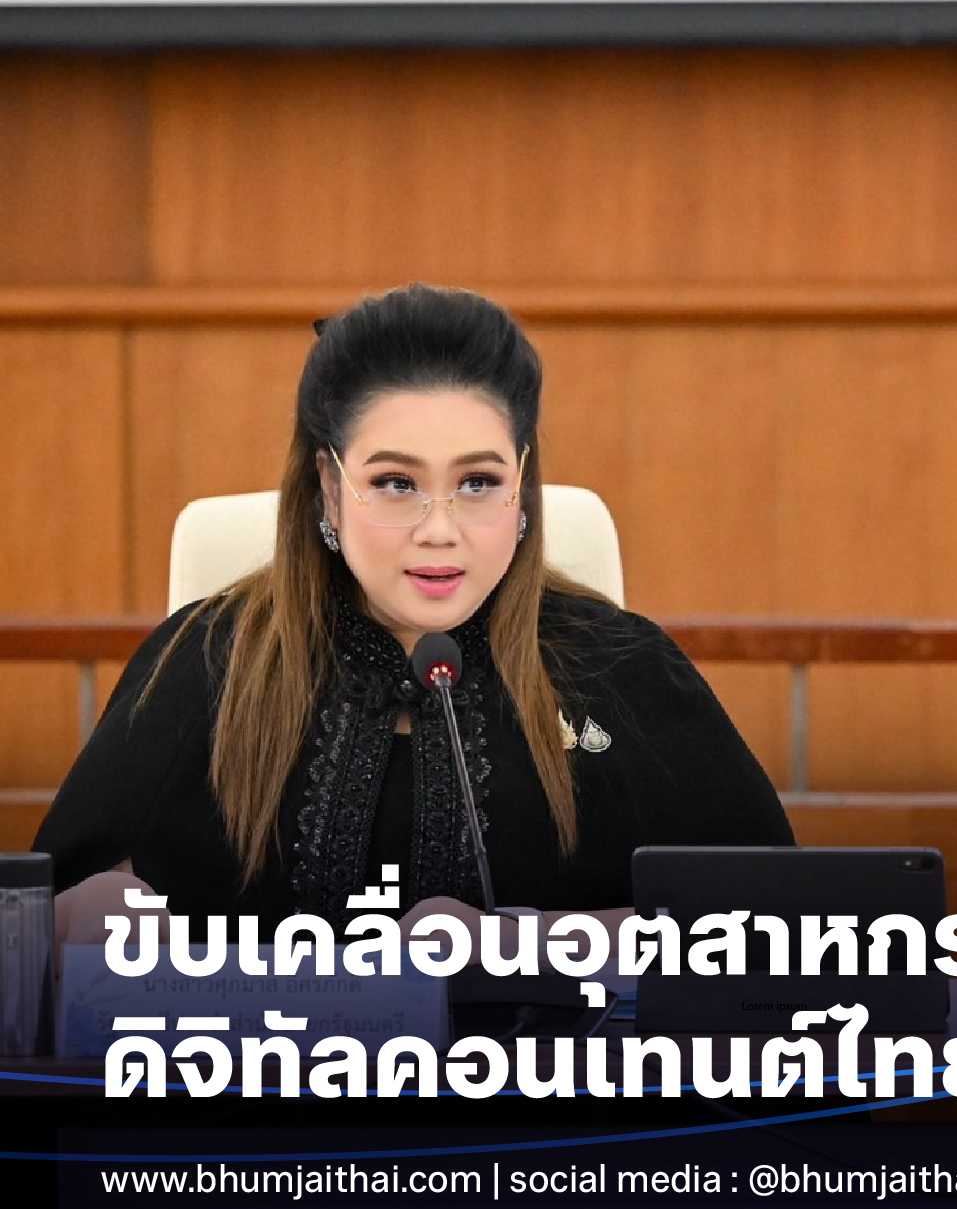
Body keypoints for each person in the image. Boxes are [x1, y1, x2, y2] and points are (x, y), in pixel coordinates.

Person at [43, 283, 793, 948]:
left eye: (478, 482)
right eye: (397, 484)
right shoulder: (207, 659)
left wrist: (519, 943)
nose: (440, 529)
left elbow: (778, 925)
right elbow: (38, 916)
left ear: (522, 487)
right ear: (328, 488)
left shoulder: (621, 666)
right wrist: (85, 916)